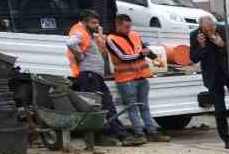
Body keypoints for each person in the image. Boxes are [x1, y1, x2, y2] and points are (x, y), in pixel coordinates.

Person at [65, 9, 132, 145]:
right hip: (89, 75)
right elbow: (71, 43)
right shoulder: (79, 31)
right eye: (93, 23)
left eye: (97, 22)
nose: (96, 25)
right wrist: (80, 55)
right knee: (95, 107)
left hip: (95, 75)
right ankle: (104, 137)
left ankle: (120, 135)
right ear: (84, 21)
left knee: (107, 104)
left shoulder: (87, 32)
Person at [107, 14, 168, 143]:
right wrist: (141, 54)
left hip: (141, 76)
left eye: (130, 26)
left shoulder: (134, 35)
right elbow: (123, 57)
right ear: (118, 25)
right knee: (133, 107)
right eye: (126, 27)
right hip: (126, 79)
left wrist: (156, 59)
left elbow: (145, 50)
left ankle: (152, 133)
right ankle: (139, 134)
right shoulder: (111, 39)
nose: (128, 29)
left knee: (144, 106)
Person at [190, 15, 229, 149]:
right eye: (206, 30)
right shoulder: (195, 35)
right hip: (213, 75)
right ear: (201, 28)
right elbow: (193, 58)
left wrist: (222, 45)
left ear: (215, 25)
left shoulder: (225, 30)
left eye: (212, 29)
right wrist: (202, 46)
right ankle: (226, 139)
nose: (209, 32)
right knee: (220, 109)